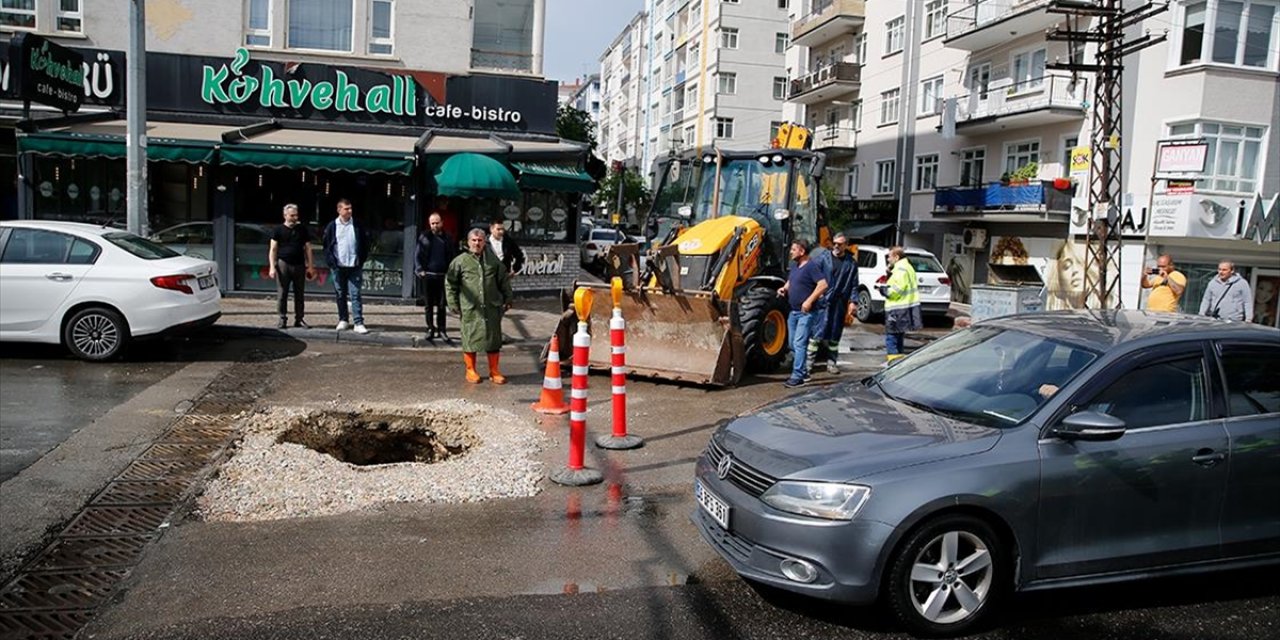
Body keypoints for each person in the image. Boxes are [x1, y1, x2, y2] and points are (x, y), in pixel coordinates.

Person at [446, 228, 514, 384]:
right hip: (470, 308)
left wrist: (508, 298)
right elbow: (450, 284)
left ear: (485, 242)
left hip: (491, 307)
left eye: (480, 240)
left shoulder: (493, 261)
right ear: (468, 242)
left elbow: (503, 280)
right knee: (470, 338)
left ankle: (494, 371)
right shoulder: (460, 261)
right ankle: (470, 370)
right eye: (474, 240)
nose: (477, 243)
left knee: (493, 339)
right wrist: (452, 303)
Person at [776, 239, 828, 388]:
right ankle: (804, 372)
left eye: (793, 249)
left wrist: (809, 301)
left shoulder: (811, 266)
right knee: (793, 344)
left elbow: (823, 284)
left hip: (806, 313)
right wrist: (784, 288)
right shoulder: (795, 266)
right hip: (793, 312)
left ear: (802, 251)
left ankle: (797, 376)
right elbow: (792, 281)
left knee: (799, 344)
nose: (791, 252)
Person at [805, 234, 859, 376]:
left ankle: (832, 363)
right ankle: (808, 364)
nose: (836, 246)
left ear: (846, 245)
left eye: (840, 244)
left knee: (835, 334)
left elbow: (854, 285)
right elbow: (811, 275)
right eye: (834, 243)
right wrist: (815, 294)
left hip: (839, 303)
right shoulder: (823, 258)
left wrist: (853, 301)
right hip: (822, 302)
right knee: (816, 333)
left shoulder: (851, 264)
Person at [322, 198, 371, 334]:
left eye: (350, 208)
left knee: (355, 294)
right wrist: (331, 262)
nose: (350, 211)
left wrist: (361, 260)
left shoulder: (357, 225)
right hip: (338, 266)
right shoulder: (332, 226)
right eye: (346, 209)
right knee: (340, 293)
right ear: (339, 210)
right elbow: (326, 246)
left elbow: (365, 243)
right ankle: (343, 319)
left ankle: (358, 322)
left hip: (354, 265)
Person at [268, 203, 315, 329]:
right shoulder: (278, 230)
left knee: (299, 293)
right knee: (282, 293)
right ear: (285, 215)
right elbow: (273, 249)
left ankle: (299, 319)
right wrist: (272, 267)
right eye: (292, 215)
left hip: (299, 264)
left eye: (296, 215)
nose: (295, 218)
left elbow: (308, 248)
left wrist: (310, 266)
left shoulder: (302, 229)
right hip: (283, 263)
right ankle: (282, 318)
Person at [415, 212, 456, 341]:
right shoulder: (424, 237)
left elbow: (453, 256)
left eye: (437, 223)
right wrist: (420, 270)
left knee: (442, 305)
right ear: (429, 224)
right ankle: (430, 328)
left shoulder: (447, 238)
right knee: (428, 305)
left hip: (443, 276)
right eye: (432, 223)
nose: (435, 225)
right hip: (428, 275)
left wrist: (452, 271)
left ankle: (442, 330)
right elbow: (417, 255)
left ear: (442, 223)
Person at [880, 246, 922, 364]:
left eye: (889, 256)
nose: (888, 259)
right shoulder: (907, 267)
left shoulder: (900, 269)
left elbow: (895, 291)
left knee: (892, 338)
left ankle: (893, 364)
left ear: (896, 257)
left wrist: (883, 290)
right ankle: (898, 364)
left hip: (896, 309)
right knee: (898, 338)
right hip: (904, 309)